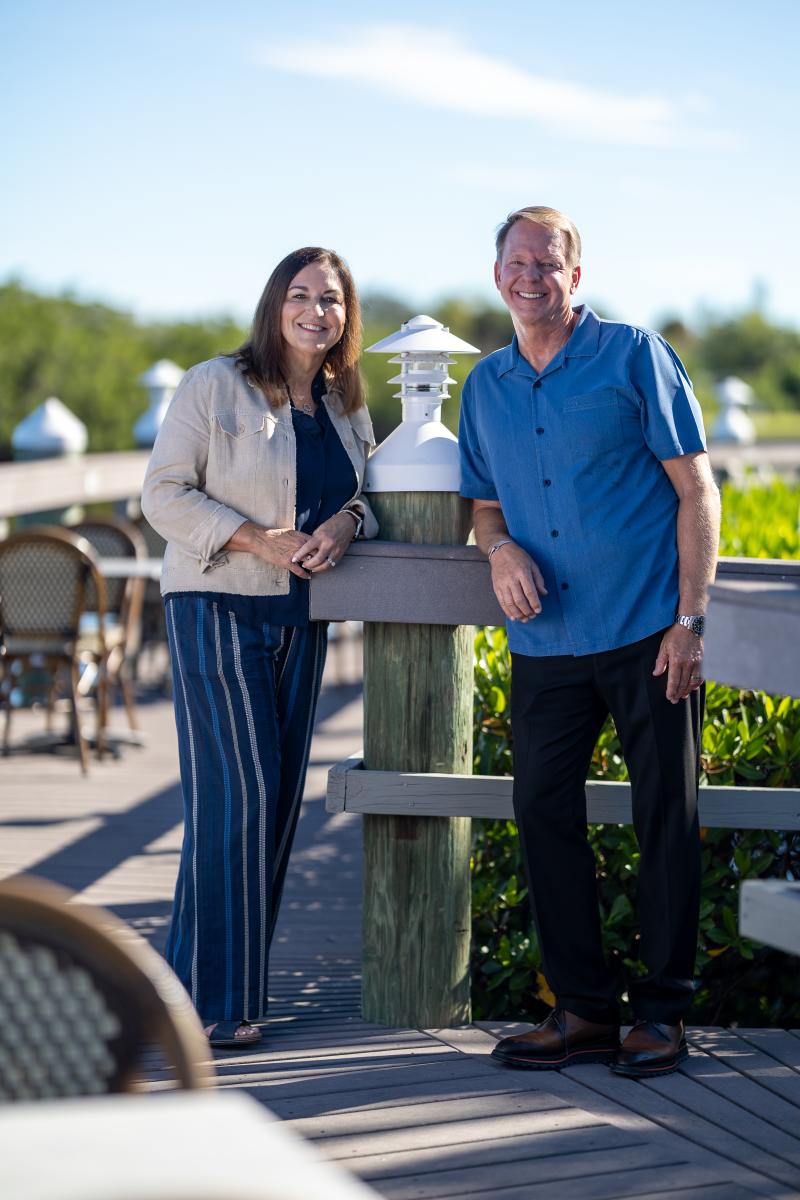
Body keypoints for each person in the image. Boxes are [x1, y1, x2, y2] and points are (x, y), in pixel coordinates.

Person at [459, 207, 720, 1077]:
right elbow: (484, 505)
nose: (531, 275)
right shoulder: (484, 385)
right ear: (496, 275)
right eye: (517, 261)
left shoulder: (635, 356)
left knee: (665, 817)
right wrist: (498, 551)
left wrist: (690, 622)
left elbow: (697, 491)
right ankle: (581, 1012)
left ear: (577, 274)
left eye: (549, 261)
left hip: (650, 632)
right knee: (540, 812)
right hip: (546, 644)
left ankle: (664, 1012)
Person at [141, 246, 377, 1047]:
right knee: (234, 801)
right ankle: (220, 1007)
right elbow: (162, 494)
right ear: (276, 305)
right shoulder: (215, 383)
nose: (318, 310)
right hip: (216, 604)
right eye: (302, 295)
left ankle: (181, 995)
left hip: (303, 616)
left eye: (333, 300)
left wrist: (346, 524)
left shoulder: (346, 404)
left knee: (270, 809)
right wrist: (253, 538)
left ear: (346, 316)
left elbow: (364, 496)